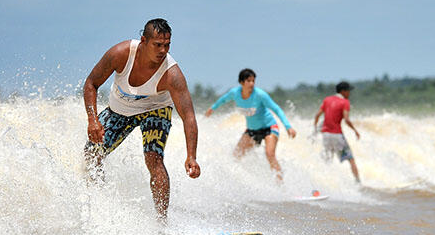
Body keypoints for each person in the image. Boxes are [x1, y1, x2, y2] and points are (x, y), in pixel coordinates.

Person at [83, 18, 200, 221]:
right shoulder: (121, 54)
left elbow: (188, 116)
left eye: (167, 45)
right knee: (91, 153)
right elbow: (91, 83)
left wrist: (191, 156)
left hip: (156, 109)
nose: (163, 50)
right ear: (144, 40)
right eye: (157, 45)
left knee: (154, 158)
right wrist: (92, 120)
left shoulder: (172, 74)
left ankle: (161, 222)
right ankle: (99, 204)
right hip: (119, 110)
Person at [205, 68, 297, 181]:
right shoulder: (235, 93)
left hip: (269, 128)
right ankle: (237, 182)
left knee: (269, 154)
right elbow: (223, 100)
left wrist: (288, 127)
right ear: (241, 82)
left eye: (253, 81)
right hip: (252, 130)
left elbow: (276, 109)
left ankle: (281, 186)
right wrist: (212, 109)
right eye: (249, 81)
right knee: (236, 156)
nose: (252, 84)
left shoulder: (260, 95)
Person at [313, 81, 361, 182]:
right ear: (343, 91)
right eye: (348, 91)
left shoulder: (327, 100)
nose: (349, 93)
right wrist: (355, 131)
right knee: (351, 159)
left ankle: (323, 182)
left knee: (327, 160)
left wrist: (315, 130)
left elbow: (317, 116)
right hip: (337, 135)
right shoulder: (345, 102)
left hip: (325, 135)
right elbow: (347, 120)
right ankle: (358, 183)